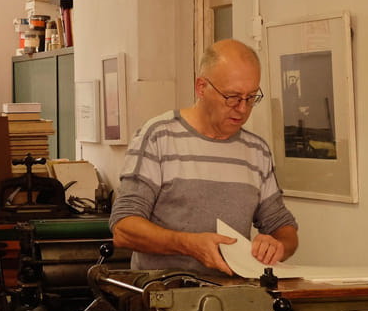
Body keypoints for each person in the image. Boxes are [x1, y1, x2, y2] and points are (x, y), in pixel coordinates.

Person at [110, 39, 299, 276]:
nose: (242, 108)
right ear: (201, 88)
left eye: (251, 97)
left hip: (232, 291)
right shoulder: (159, 137)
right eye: (232, 97)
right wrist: (188, 245)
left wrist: (277, 246)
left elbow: (284, 229)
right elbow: (124, 228)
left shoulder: (256, 150)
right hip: (163, 291)